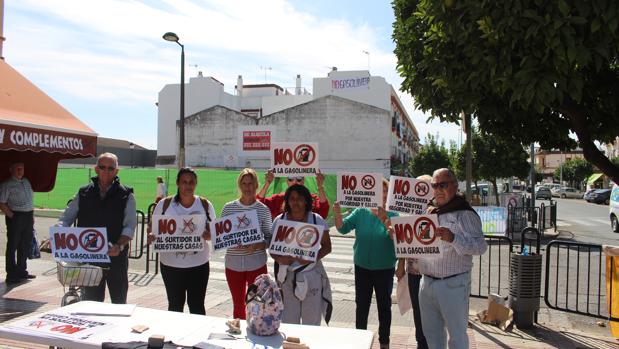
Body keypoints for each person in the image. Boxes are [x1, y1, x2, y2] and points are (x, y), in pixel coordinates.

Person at [417, 168, 487, 349]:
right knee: (432, 337)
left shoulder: (465, 213)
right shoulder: (429, 210)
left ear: (455, 186)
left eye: (443, 184)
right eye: (434, 185)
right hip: (427, 283)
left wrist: (453, 238)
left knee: (457, 337)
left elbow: (480, 247)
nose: (438, 189)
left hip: (453, 284)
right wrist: (400, 236)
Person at [57, 153, 137, 303]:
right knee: (91, 304)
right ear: (96, 169)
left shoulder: (126, 195)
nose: (106, 171)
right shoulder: (83, 192)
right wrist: (56, 234)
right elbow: (66, 218)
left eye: (111, 168)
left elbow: (130, 226)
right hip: (90, 259)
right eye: (102, 167)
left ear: (116, 171)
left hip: (116, 259)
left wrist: (119, 246)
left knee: (119, 304)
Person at [334, 178, 396, 349]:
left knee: (384, 306)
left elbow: (396, 238)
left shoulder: (393, 214)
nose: (381, 195)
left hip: (384, 268)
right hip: (362, 267)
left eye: (385, 191)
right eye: (378, 191)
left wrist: (385, 220)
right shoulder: (361, 211)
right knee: (361, 306)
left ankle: (384, 342)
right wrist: (338, 213)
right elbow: (342, 228)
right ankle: (359, 340)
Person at [147, 167, 215, 314]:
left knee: (197, 306)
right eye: (184, 182)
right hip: (171, 266)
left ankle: (198, 336)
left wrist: (209, 235)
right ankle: (175, 337)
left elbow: (214, 232)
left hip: (198, 265)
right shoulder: (164, 205)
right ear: (178, 183)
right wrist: (151, 235)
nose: (188, 186)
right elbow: (152, 228)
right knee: (175, 306)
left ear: (196, 184)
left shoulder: (205, 205)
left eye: (191, 182)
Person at [270, 184, 332, 325]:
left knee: (312, 321)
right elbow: (272, 249)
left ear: (306, 201)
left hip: (311, 275)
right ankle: (291, 346)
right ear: (287, 201)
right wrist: (280, 259)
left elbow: (327, 247)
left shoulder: (317, 219)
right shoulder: (280, 220)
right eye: (292, 198)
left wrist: (311, 258)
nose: (295, 202)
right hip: (287, 277)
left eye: (299, 198)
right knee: (289, 321)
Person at [220, 168, 272, 319]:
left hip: (256, 264)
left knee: (256, 304)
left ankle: (256, 331)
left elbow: (269, 238)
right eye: (244, 183)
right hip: (233, 264)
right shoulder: (228, 208)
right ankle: (239, 335)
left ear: (256, 185)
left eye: (251, 183)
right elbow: (222, 236)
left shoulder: (263, 210)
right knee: (238, 304)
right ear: (239, 185)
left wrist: (258, 245)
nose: (247, 187)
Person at [395, 175, 431, 349]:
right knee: (418, 310)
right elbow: (403, 241)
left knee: (431, 311)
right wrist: (400, 264)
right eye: (419, 187)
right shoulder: (409, 211)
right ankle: (420, 343)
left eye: (426, 187)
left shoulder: (437, 210)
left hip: (434, 272)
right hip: (414, 271)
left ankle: (432, 342)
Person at [0, 162, 35, 283]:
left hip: (28, 216)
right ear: (11, 170)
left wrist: (32, 215)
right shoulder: (7, 184)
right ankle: (11, 274)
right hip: (16, 216)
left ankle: (21, 271)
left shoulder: (26, 181)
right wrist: (12, 216)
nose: (21, 171)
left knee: (25, 244)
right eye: (18, 169)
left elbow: (30, 199)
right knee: (13, 245)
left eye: (22, 169)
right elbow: (2, 203)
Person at [257, 170, 329, 220]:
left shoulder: (312, 198)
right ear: (286, 181)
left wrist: (320, 186)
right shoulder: (278, 199)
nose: (295, 182)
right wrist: (267, 183)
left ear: (303, 181)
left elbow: (323, 212)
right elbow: (258, 204)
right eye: (291, 178)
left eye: (299, 178)